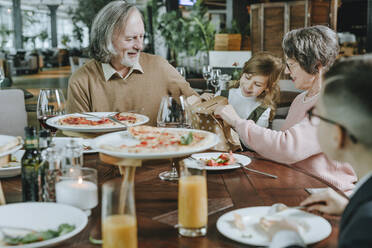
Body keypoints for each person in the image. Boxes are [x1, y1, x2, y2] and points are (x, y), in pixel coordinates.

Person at [214, 25, 357, 194]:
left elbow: (287, 148)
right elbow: (279, 150)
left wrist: (237, 122)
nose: (288, 72)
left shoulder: (333, 102)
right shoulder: (300, 99)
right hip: (299, 183)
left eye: (291, 65)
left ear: (316, 65)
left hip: (327, 193)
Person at [267, 55, 372, 248]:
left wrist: (286, 236)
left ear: (337, 134)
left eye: (314, 115)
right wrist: (349, 207)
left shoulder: (364, 228)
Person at [66, 1, 197, 125]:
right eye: (130, 39)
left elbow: (194, 102)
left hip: (154, 146)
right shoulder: (81, 81)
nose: (139, 46)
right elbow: (76, 136)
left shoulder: (159, 66)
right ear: (106, 40)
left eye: (141, 37)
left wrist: (212, 106)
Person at [201, 52, 283, 128]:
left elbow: (254, 142)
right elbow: (205, 124)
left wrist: (235, 121)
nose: (248, 86)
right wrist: (201, 103)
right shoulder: (222, 95)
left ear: (268, 87)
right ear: (243, 73)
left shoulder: (262, 110)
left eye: (257, 84)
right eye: (247, 78)